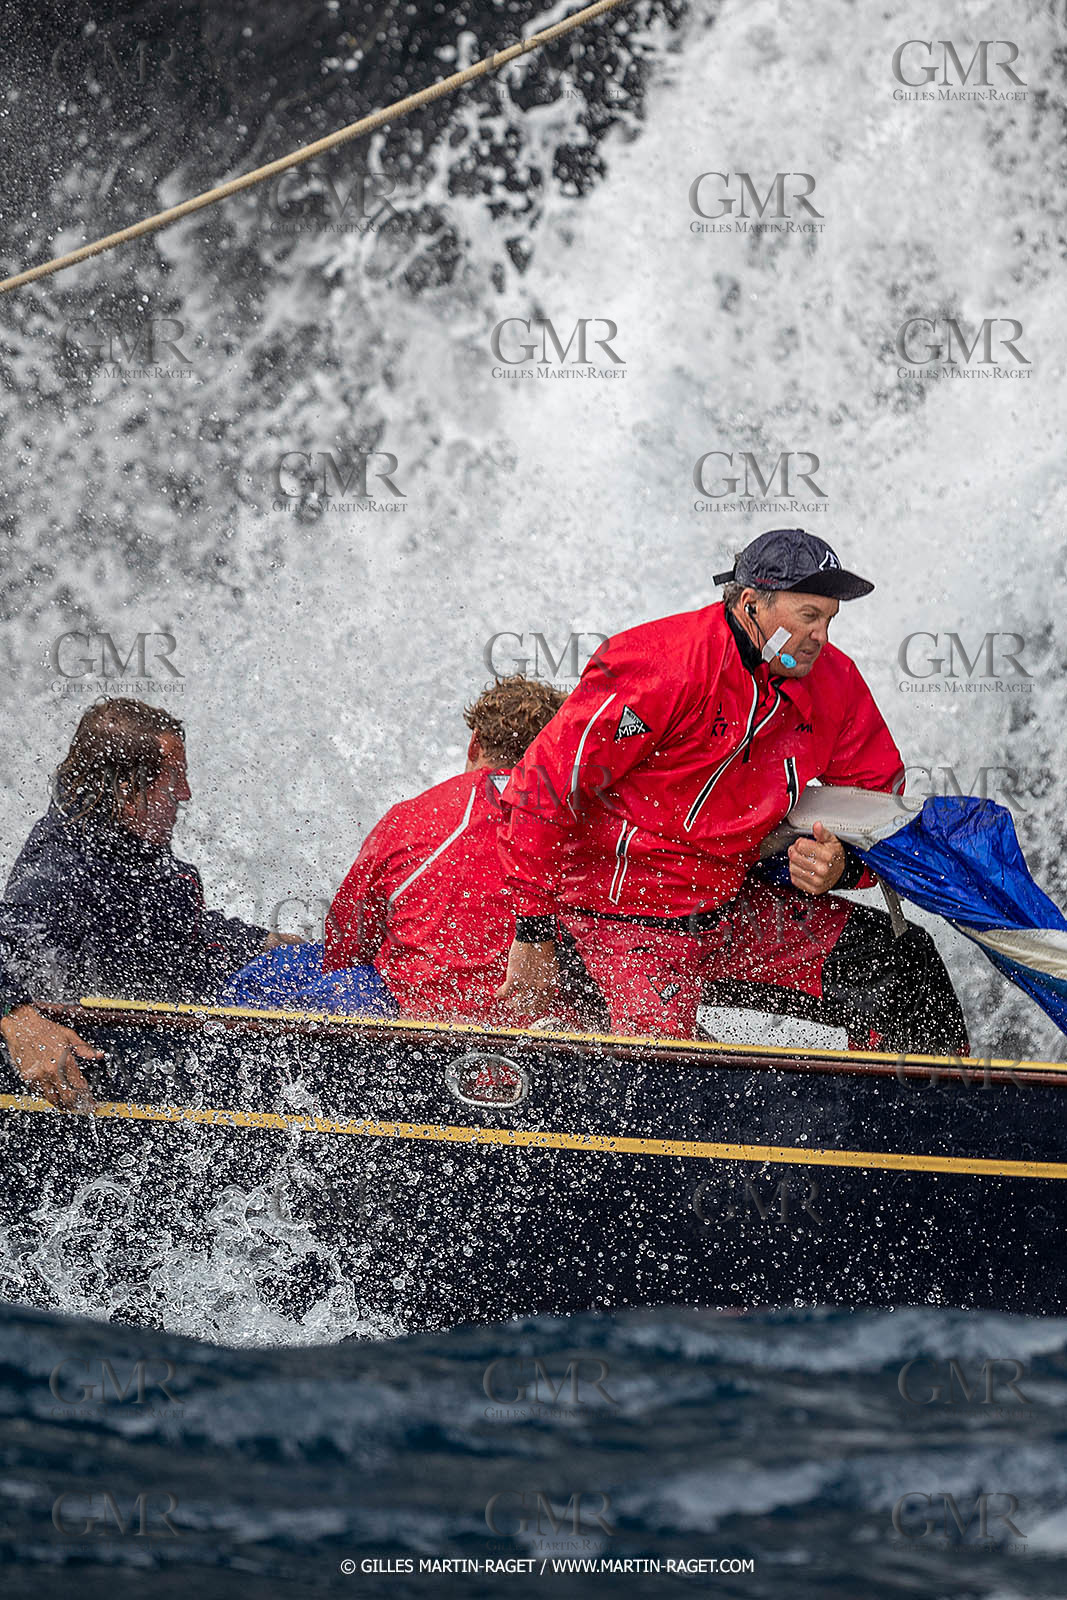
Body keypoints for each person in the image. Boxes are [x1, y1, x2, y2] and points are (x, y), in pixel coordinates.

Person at [493, 528, 969, 1053]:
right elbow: (543, 788)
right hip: (616, 924)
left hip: (731, 912)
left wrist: (840, 867)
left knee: (903, 964)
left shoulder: (834, 680)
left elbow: (882, 810)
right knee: (662, 1077)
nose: (822, 637)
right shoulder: (660, 663)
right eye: (808, 617)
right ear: (750, 605)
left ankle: (929, 1120)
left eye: (830, 619)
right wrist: (531, 933)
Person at [0, 698, 295, 1107]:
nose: (186, 794)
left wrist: (262, 942)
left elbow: (175, 936)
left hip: (156, 1047)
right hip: (98, 1072)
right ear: (127, 788)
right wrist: (20, 1020)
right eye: (174, 779)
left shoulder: (132, 850)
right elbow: (8, 938)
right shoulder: (63, 863)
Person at [311, 675, 606, 1027]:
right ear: (555, 753)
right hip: (544, 1038)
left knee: (281, 970)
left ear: (474, 744)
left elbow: (348, 937)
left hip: (415, 1029)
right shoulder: (590, 830)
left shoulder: (411, 817)